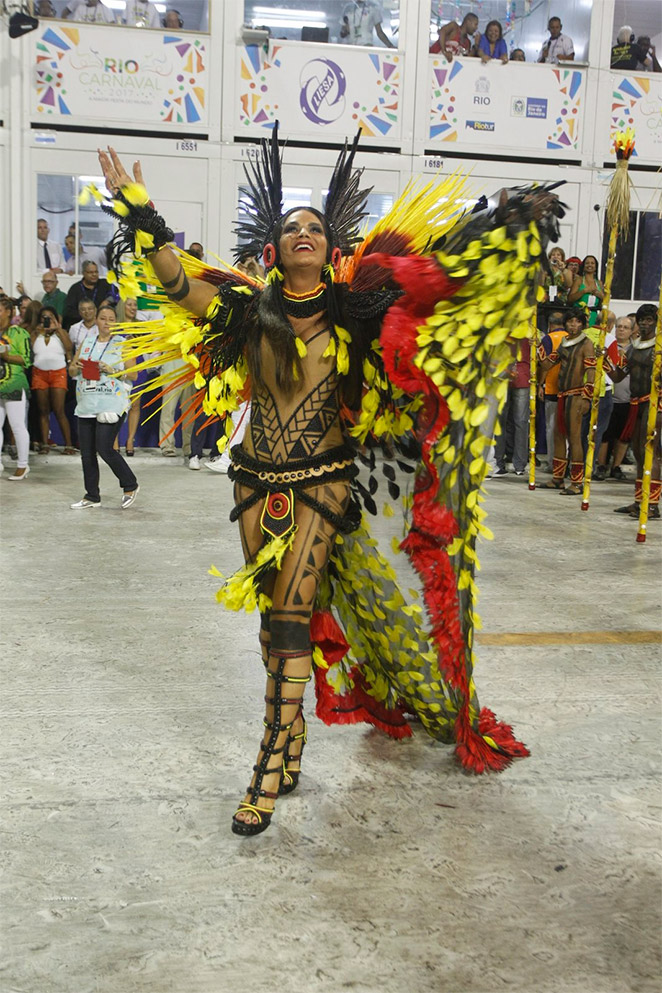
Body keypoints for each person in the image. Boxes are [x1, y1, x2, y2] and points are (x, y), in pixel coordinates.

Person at [97, 138, 561, 834]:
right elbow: (174, 283)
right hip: (254, 479)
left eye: (315, 227)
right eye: (293, 227)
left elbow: (434, 284)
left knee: (289, 615)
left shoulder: (356, 309)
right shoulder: (246, 309)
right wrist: (143, 214)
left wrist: (499, 225)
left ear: (329, 245)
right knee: (271, 623)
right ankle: (291, 741)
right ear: (274, 249)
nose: (305, 233)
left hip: (324, 480)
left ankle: (267, 760)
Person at [68, 304, 139, 509]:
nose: (106, 322)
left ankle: (130, 485)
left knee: (105, 448)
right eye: (103, 318)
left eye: (111, 319)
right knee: (87, 453)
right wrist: (76, 367)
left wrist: (113, 369)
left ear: (116, 323)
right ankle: (91, 496)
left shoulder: (122, 344)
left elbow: (133, 374)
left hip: (111, 403)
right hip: (87, 401)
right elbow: (72, 370)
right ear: (96, 321)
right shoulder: (86, 342)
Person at [608, 304, 660, 519]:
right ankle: (640, 501)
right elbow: (619, 376)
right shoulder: (633, 347)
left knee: (652, 454)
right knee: (639, 453)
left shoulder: (659, 346)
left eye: (650, 319)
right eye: (643, 320)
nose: (646, 323)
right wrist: (606, 363)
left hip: (654, 405)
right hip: (635, 403)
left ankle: (653, 504)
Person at [539, 308, 595, 494]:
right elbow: (547, 364)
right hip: (562, 394)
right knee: (558, 435)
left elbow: (591, 371)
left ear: (582, 324)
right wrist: (538, 349)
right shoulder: (564, 342)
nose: (574, 325)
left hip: (577, 394)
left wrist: (587, 397)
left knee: (575, 437)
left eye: (577, 322)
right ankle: (558, 478)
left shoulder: (587, 344)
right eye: (571, 321)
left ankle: (577, 482)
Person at [30, 307, 76, 455]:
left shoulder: (60, 334)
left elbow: (69, 347)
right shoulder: (36, 334)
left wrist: (58, 329)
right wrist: (37, 331)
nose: (47, 320)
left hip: (58, 374)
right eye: (44, 317)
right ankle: (44, 444)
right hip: (39, 374)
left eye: (50, 317)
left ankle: (68, 444)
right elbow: (30, 349)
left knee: (59, 410)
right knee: (43, 411)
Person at [596, 315, 634, 481]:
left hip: (628, 398)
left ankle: (616, 466)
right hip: (609, 395)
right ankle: (601, 465)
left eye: (625, 327)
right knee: (605, 433)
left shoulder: (634, 349)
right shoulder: (607, 344)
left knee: (623, 435)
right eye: (619, 326)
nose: (621, 330)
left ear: (632, 331)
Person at [0, 296, 32, 480]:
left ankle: (23, 465)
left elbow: (27, 360)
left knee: (17, 425)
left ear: (9, 312)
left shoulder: (19, 333)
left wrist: (6, 356)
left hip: (14, 384)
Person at [493, 339, 530, 475]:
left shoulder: (525, 331)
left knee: (515, 422)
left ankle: (511, 463)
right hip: (513, 375)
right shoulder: (528, 331)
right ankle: (507, 463)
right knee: (514, 422)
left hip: (514, 376)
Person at [537, 309, 567, 471]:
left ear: (549, 324)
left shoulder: (548, 339)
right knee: (566, 429)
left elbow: (544, 364)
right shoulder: (570, 337)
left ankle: (552, 462)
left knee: (551, 427)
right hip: (568, 388)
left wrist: (540, 384)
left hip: (551, 387)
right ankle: (564, 461)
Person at [62, 262, 112, 331]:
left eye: (96, 272)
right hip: (81, 326)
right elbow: (69, 312)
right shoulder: (75, 288)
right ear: (84, 273)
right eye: (90, 272)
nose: (94, 274)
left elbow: (117, 295)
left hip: (102, 325)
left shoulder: (105, 284)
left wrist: (108, 300)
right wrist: (87, 317)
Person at [568, 255, 603, 327]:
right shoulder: (579, 280)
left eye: (592, 263)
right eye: (587, 263)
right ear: (583, 266)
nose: (590, 265)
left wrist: (601, 296)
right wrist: (584, 291)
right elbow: (570, 299)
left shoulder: (599, 283)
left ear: (596, 267)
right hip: (579, 315)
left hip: (593, 315)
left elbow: (603, 303)